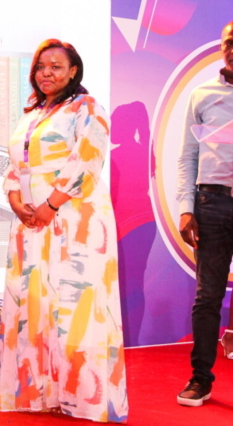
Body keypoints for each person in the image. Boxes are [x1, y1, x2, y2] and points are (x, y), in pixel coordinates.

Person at [0, 39, 128, 423]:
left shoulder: (87, 108)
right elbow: (16, 165)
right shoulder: (32, 113)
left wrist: (51, 205)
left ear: (73, 71)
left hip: (74, 220)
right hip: (31, 223)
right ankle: (39, 394)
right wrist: (15, 200)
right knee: (35, 304)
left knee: (75, 305)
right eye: (40, 67)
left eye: (55, 66)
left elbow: (87, 160)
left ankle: (84, 398)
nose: (46, 73)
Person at [176, 20, 233, 407]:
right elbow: (187, 157)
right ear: (222, 46)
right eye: (230, 41)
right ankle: (201, 379)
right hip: (211, 204)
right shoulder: (202, 95)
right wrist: (185, 208)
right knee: (207, 296)